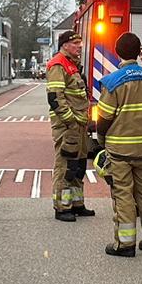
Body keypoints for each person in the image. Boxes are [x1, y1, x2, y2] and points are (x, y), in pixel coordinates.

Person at [96, 32, 142, 257]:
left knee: (123, 193)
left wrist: (101, 139)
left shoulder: (113, 81)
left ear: (117, 53)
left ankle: (124, 244)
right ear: (138, 53)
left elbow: (104, 117)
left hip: (120, 150)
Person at [45, 32, 94, 222]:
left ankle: (76, 204)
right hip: (68, 126)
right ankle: (62, 207)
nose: (79, 46)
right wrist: (70, 121)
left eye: (80, 43)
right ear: (65, 45)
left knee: (79, 166)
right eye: (75, 43)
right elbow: (55, 98)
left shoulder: (73, 65)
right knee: (65, 166)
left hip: (78, 125)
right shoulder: (58, 65)